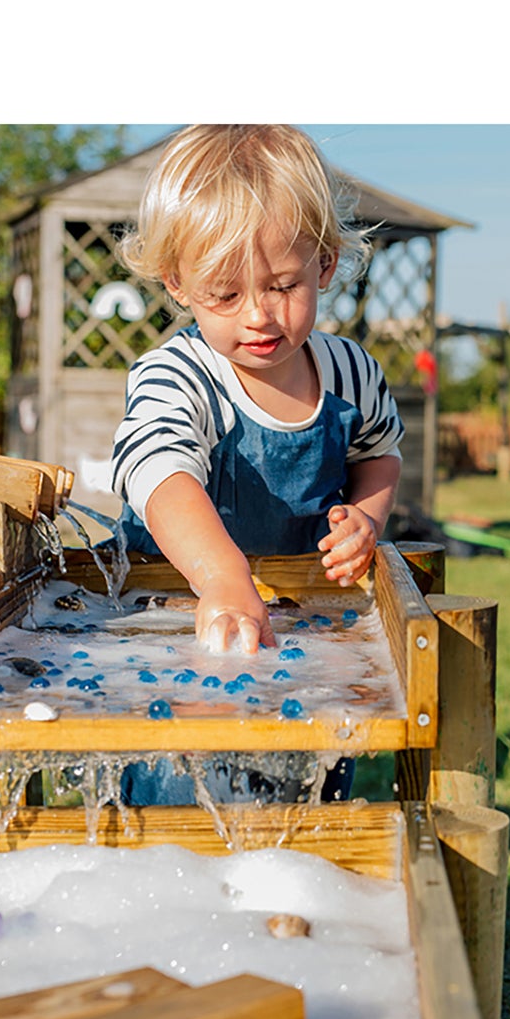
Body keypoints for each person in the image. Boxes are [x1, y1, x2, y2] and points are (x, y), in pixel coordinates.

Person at [109, 125, 405, 805]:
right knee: (180, 791)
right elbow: (158, 470)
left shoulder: (348, 372)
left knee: (304, 789)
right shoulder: (177, 374)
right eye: (226, 295)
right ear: (177, 283)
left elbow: (379, 454)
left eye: (281, 285)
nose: (260, 315)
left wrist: (363, 517)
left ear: (325, 264)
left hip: (301, 622)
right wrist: (220, 577)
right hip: (176, 621)